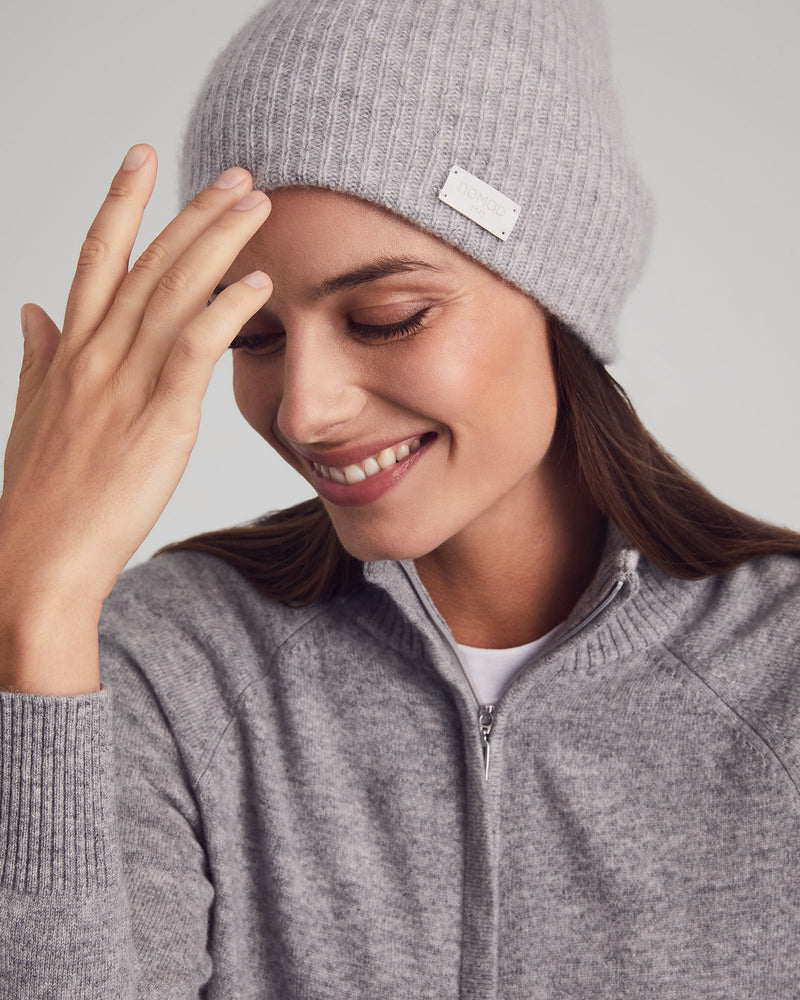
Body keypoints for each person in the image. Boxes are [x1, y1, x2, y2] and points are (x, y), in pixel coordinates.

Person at [1, 0, 799, 996]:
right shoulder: (164, 664)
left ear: (559, 295)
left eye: (386, 316)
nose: (303, 408)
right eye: (252, 337)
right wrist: (40, 611)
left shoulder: (780, 672)